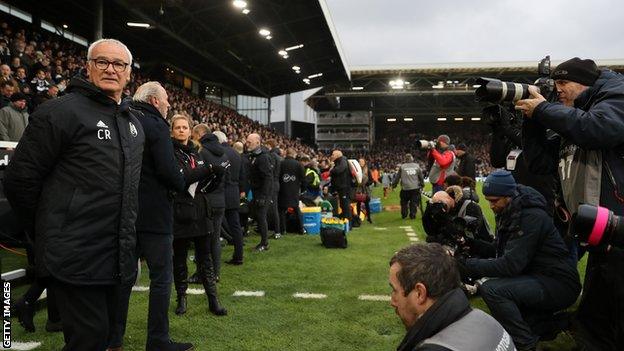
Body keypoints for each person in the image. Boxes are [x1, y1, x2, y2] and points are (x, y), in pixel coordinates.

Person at [3, 38, 145, 351]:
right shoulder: (60, 112)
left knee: (108, 337)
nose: (111, 69)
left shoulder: (134, 123)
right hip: (75, 254)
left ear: (129, 73)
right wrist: (50, 229)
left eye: (119, 64)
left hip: (117, 256)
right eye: (102, 62)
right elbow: (19, 179)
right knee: (88, 340)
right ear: (88, 66)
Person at [516, 57, 624, 350]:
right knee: (597, 311)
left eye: (563, 83)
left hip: (619, 229)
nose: (557, 90)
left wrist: (542, 109)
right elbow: (540, 163)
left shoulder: (615, 97)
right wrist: (533, 123)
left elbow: (599, 129)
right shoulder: (575, 117)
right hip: (599, 231)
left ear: (584, 83)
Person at [108, 81, 193, 351]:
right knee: (161, 278)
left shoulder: (122, 118)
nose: (169, 105)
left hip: (123, 214)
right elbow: (169, 172)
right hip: (154, 216)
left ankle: (113, 338)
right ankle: (157, 340)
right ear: (155, 101)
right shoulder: (156, 125)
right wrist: (184, 179)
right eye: (167, 100)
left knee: (123, 277)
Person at [457, 170, 581, 350]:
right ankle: (566, 322)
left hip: (558, 283)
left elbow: (510, 265)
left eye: (494, 201)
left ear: (508, 196)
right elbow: (499, 250)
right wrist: (472, 244)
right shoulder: (512, 211)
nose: (491, 206)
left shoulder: (530, 217)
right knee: (527, 322)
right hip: (540, 277)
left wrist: (466, 266)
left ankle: (525, 344)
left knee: (492, 289)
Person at [390, 243, 515, 351]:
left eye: (394, 291)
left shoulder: (438, 347)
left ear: (420, 293)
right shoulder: (484, 319)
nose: (392, 301)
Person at [170, 115, 227, 317]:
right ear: (172, 131)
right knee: (180, 258)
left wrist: (217, 177)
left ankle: (213, 299)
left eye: (185, 127)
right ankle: (181, 298)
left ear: (190, 131)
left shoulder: (197, 153)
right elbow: (183, 178)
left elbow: (205, 184)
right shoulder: (170, 152)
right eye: (178, 127)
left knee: (206, 258)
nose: (182, 130)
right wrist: (210, 169)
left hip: (201, 210)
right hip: (180, 211)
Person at [194, 123, 229, 280]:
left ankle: (202, 272)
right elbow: (225, 178)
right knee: (214, 238)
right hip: (220, 199)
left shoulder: (203, 152)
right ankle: (216, 273)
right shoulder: (224, 154)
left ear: (200, 134)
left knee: (201, 238)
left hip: (206, 199)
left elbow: (199, 178)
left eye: (195, 136)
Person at [214, 131, 246, 265]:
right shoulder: (236, 154)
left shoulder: (218, 152)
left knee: (215, 226)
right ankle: (239, 256)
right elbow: (242, 175)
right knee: (235, 225)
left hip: (220, 192)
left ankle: (211, 259)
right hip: (234, 192)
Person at [246, 133, 274, 251]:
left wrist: (263, 196)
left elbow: (268, 177)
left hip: (262, 192)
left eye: (249, 142)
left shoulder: (262, 157)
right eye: (247, 141)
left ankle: (264, 243)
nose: (247, 144)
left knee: (261, 217)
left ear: (257, 143)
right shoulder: (255, 155)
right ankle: (264, 242)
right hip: (258, 191)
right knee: (258, 216)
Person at [278, 148, 305, 233]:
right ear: (293, 154)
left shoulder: (281, 163)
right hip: (294, 190)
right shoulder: (298, 164)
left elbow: (277, 176)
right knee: (296, 209)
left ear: (286, 154)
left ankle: (283, 230)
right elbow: (303, 178)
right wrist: (303, 189)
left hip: (283, 189)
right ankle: (301, 229)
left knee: (281, 210)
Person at [392, 154, 424, 220]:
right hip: (415, 188)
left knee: (404, 202)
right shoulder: (417, 166)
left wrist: (394, 185)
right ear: (412, 159)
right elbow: (421, 177)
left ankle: (404, 214)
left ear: (405, 160)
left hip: (405, 188)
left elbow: (397, 177)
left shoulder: (402, 167)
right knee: (414, 202)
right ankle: (412, 215)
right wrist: (422, 184)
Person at [266, 139, 282, 239]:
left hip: (272, 184)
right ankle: (277, 230)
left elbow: (270, 171)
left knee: (273, 208)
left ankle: (277, 231)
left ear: (269, 145)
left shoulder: (272, 156)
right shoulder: (278, 156)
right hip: (276, 183)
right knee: (274, 208)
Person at [329, 149, 352, 221]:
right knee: (343, 204)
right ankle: (345, 218)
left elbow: (339, 170)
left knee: (345, 203)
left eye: (333, 154)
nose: (331, 156)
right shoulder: (339, 161)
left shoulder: (343, 161)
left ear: (337, 155)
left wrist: (332, 169)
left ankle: (347, 220)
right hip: (341, 186)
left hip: (344, 186)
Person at [355, 158, 373, 224]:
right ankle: (358, 217)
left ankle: (369, 217)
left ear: (365, 162)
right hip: (358, 189)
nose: (361, 163)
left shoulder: (367, 170)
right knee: (358, 203)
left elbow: (371, 180)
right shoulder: (356, 170)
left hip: (366, 190)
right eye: (360, 161)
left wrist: (366, 183)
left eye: (362, 162)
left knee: (367, 204)